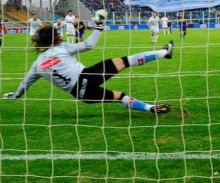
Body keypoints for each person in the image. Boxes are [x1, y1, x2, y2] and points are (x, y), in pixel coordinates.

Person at [3, 12, 173, 115]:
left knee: (119, 96)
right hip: (87, 77)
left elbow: (25, 83)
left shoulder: (37, 65)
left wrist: (15, 95)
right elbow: (89, 45)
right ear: (56, 38)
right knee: (126, 61)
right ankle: (164, 52)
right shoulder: (62, 48)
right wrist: (98, 28)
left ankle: (150, 108)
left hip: (81, 94)